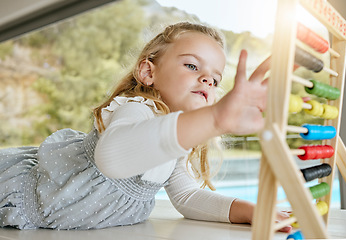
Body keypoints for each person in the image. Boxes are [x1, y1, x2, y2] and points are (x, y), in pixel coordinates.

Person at [0, 22, 291, 232]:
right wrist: (215, 119)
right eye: (192, 66)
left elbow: (188, 197)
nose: (206, 80)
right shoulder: (136, 109)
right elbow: (112, 157)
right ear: (148, 72)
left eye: (215, 79)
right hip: (17, 192)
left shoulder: (175, 142)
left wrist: (252, 211)